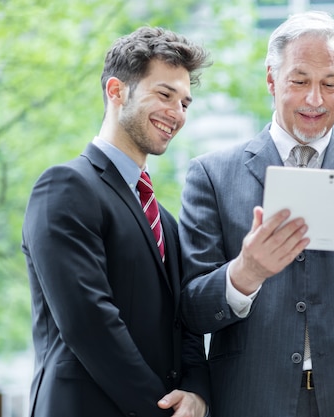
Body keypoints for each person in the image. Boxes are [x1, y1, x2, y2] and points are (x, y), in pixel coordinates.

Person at [179, 10, 334, 417]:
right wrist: (245, 274)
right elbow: (191, 310)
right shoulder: (212, 175)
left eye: (331, 84)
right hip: (251, 399)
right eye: (300, 81)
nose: (315, 99)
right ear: (272, 80)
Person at [22, 26, 212, 417]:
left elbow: (186, 323)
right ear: (116, 91)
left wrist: (195, 393)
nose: (176, 114)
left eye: (185, 103)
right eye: (164, 94)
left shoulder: (166, 223)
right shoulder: (65, 187)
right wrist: (159, 410)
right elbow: (88, 322)